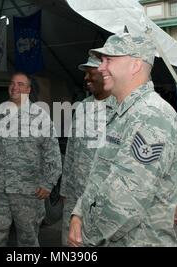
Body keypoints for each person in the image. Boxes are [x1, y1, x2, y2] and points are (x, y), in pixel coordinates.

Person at [67, 33, 177, 247]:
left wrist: (86, 234)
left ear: (135, 65)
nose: (101, 68)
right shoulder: (123, 112)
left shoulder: (151, 116)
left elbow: (127, 200)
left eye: (108, 60)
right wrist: (79, 213)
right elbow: (99, 173)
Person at [0, 72, 62, 247]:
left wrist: (48, 183)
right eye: (12, 83)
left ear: (28, 89)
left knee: (28, 240)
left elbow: (53, 154)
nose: (15, 87)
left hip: (28, 192)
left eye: (21, 84)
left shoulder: (40, 117)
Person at [59, 55, 114, 246]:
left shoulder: (120, 108)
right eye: (85, 74)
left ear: (105, 74)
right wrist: (65, 188)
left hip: (102, 199)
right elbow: (72, 148)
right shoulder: (82, 106)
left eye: (91, 73)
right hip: (75, 194)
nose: (86, 79)